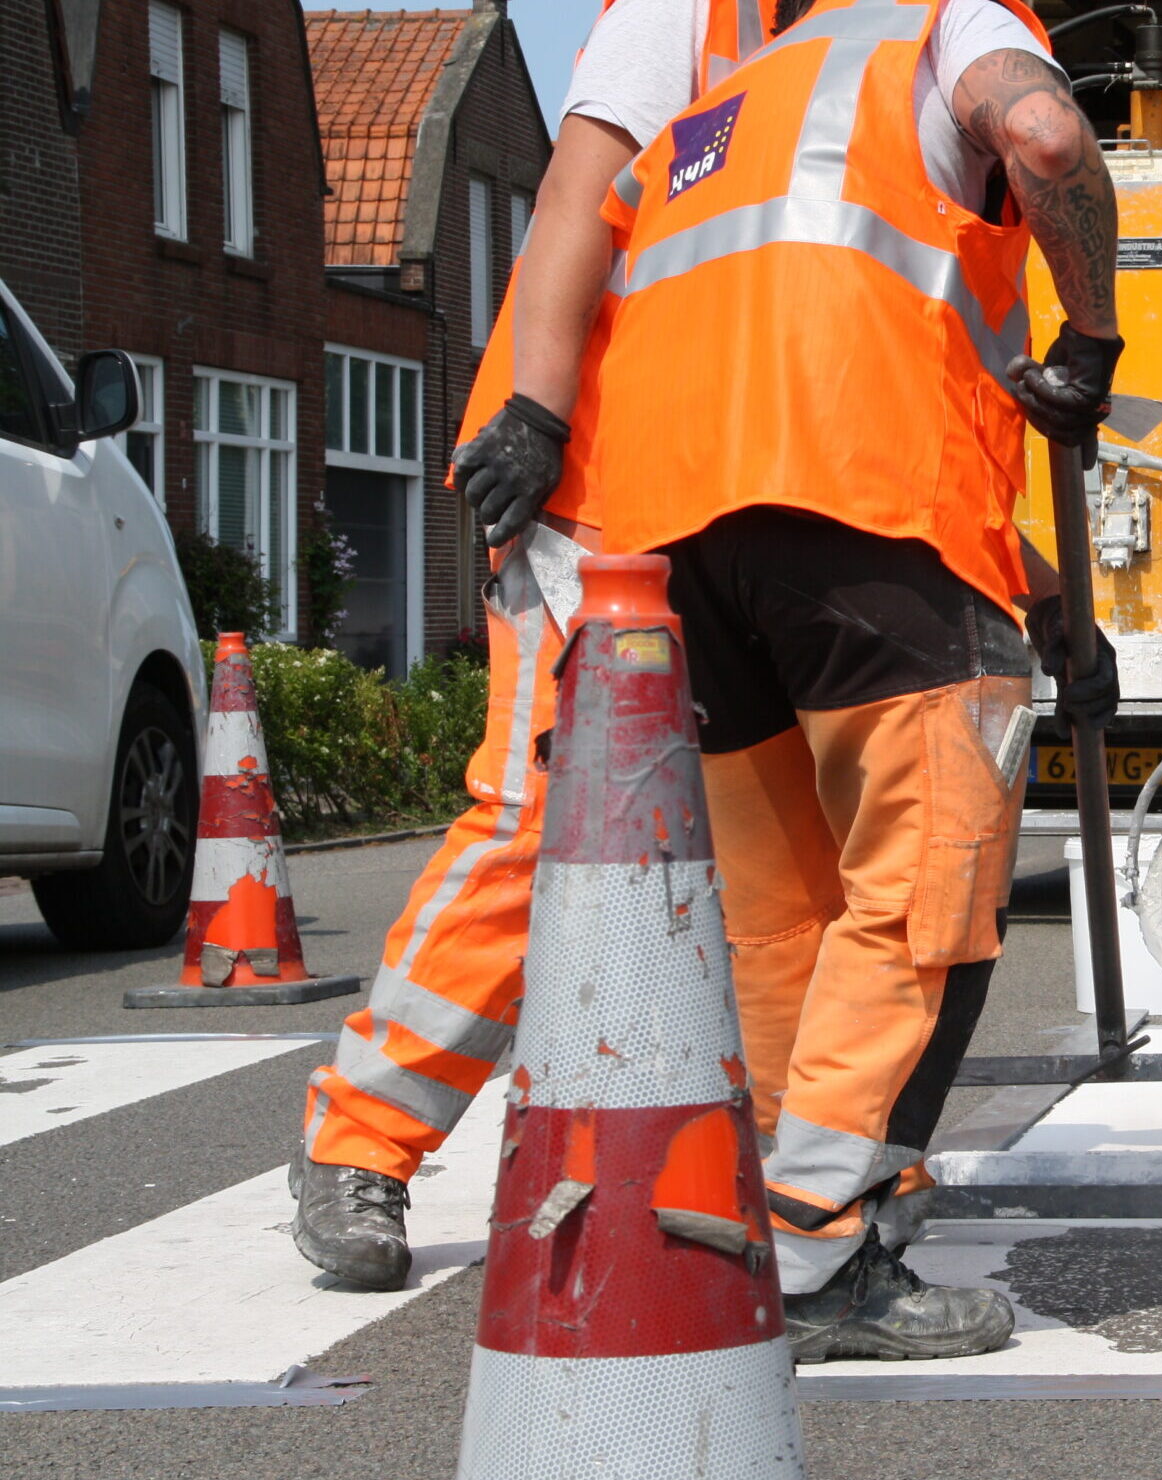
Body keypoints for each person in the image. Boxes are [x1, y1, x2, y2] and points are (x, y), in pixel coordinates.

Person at [588, 0, 1120, 1361]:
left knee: (780, 923)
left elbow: (791, 355)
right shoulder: (949, 26)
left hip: (685, 531)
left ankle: (773, 1224)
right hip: (873, 506)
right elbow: (1050, 139)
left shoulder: (740, 92)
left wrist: (1045, 595)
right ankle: (826, 1255)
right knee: (922, 898)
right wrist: (1093, 338)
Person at [289, 0, 789, 1292]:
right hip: (595, 488)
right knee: (529, 817)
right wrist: (536, 412)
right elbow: (575, 191)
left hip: (719, 496)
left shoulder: (874, 31)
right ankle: (362, 1135)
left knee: (769, 840)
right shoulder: (690, 11)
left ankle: (789, 1167)